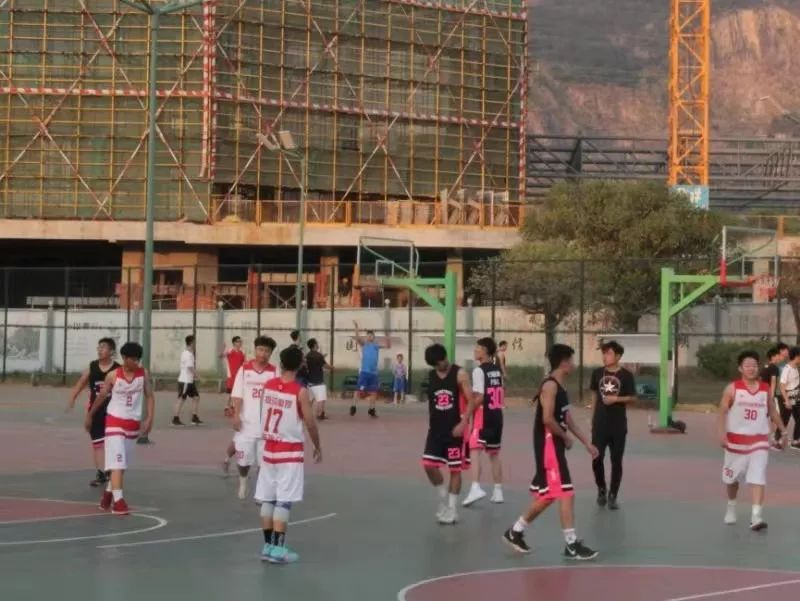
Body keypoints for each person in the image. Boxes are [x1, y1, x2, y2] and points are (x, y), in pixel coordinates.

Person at [503, 344, 599, 560]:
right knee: (566, 492)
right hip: (549, 446)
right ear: (564, 362)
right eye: (571, 360)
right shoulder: (550, 386)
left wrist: (586, 442)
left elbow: (567, 418)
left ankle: (515, 531)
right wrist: (565, 437)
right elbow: (547, 419)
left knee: (548, 496)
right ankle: (571, 545)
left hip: (554, 445)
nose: (573, 364)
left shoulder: (560, 387)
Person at [255, 346, 322, 564]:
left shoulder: (268, 386)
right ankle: (278, 549)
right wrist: (317, 446)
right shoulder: (300, 392)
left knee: (268, 499)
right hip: (289, 452)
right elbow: (310, 422)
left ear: (281, 363)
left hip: (269, 450)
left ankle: (267, 546)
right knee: (283, 502)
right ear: (300, 365)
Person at [719, 350, 787, 530]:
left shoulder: (765, 389)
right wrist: (721, 434)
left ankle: (756, 516)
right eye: (747, 365)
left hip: (759, 441)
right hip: (735, 441)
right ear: (740, 368)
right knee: (731, 479)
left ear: (758, 368)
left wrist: (783, 431)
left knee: (758, 476)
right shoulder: (732, 388)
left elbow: (772, 411)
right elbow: (722, 412)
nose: (751, 368)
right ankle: (731, 506)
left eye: (754, 365)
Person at [85, 342, 155, 515]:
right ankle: (119, 502)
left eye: (137, 360)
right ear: (124, 358)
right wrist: (90, 415)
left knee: (121, 465)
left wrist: (149, 418)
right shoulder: (113, 375)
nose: (134, 362)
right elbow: (101, 396)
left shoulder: (143, 374)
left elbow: (149, 396)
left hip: (133, 424)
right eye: (131, 359)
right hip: (114, 422)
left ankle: (107, 496)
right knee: (117, 462)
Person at [421, 344, 476, 525]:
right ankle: (442, 496)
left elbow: (471, 401)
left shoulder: (460, 374)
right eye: (437, 364)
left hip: (455, 431)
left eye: (442, 361)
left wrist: (463, 423)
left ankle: (452, 509)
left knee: (455, 469)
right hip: (435, 431)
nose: (441, 365)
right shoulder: (431, 376)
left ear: (445, 356)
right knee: (428, 465)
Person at [590, 340, 637, 510]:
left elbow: (633, 398)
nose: (605, 356)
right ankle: (601, 488)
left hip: (618, 425)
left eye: (608, 353)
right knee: (596, 458)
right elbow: (594, 396)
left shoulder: (626, 375)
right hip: (600, 424)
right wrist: (592, 419)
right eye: (603, 353)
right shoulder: (597, 373)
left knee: (616, 461)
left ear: (617, 356)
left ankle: (613, 495)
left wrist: (616, 399)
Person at [66, 338, 120, 487]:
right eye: (99, 347)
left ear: (111, 351)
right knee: (97, 442)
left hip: (113, 410)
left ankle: (111, 470)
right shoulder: (92, 367)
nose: (99, 349)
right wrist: (72, 398)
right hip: (95, 410)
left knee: (112, 442)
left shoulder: (117, 369)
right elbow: (80, 383)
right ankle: (101, 473)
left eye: (103, 347)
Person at [230, 336, 278, 499]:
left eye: (267, 351)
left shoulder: (274, 372)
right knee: (243, 461)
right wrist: (236, 415)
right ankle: (243, 481)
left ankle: (261, 490)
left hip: (267, 428)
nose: (263, 354)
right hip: (246, 425)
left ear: (271, 353)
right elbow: (237, 395)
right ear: (255, 349)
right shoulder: (244, 370)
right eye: (260, 349)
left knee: (264, 463)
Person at [463, 338, 505, 506]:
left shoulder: (478, 371)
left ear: (486, 351)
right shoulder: (497, 370)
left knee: (474, 450)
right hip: (497, 415)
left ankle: (475, 487)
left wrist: (467, 412)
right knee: (494, 454)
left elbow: (480, 396)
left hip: (484, 416)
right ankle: (498, 491)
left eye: (478, 348)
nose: (475, 350)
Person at [351, 321, 391, 418]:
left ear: (374, 337)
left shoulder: (376, 345)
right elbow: (358, 338)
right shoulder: (364, 344)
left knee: (374, 392)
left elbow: (388, 346)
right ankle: (353, 407)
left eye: (371, 335)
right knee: (358, 390)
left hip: (374, 374)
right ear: (366, 337)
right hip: (364, 372)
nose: (369, 337)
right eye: (368, 335)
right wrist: (356, 327)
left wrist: (387, 336)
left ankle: (371, 410)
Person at [221, 336, 246, 474]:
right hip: (232, 377)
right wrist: (223, 349)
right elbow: (221, 356)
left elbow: (244, 364)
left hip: (239, 378)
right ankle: (228, 407)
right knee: (230, 393)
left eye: (240, 342)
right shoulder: (230, 351)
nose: (239, 343)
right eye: (237, 342)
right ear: (234, 343)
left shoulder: (242, 353)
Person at [761, 347, 788, 450]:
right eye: (777, 355)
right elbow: (773, 383)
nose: (779, 357)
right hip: (769, 396)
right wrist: (771, 397)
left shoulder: (765, 366)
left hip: (761, 395)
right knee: (776, 417)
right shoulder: (774, 368)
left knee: (765, 417)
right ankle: (774, 440)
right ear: (773, 356)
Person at [174, 335, 202, 426]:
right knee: (181, 399)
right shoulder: (188, 354)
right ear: (191, 343)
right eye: (195, 342)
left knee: (196, 397)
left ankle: (194, 417)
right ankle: (175, 419)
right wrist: (199, 377)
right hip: (185, 381)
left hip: (189, 381)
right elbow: (190, 367)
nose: (196, 343)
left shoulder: (188, 353)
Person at [778, 346, 800, 451]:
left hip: (796, 398)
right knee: (784, 420)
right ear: (797, 356)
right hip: (788, 398)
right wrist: (786, 400)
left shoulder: (796, 368)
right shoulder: (787, 369)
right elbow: (782, 386)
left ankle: (795, 441)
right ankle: (777, 439)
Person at [305, 339, 331, 420]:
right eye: (317, 343)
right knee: (321, 399)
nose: (318, 344)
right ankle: (319, 414)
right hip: (319, 381)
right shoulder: (319, 355)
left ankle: (306, 414)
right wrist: (333, 368)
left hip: (310, 381)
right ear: (315, 345)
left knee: (310, 400)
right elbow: (325, 365)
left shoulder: (307, 355)